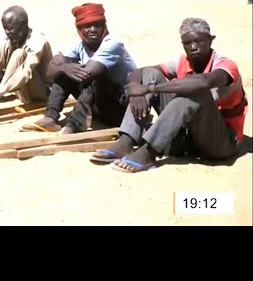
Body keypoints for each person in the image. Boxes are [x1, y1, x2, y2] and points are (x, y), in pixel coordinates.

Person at [90, 18, 247, 173]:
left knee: (195, 91)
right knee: (150, 74)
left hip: (219, 143)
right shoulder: (183, 61)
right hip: (187, 138)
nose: (193, 47)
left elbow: (204, 82)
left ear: (210, 40)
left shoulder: (225, 65)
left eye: (199, 41)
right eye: (187, 43)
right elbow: (141, 72)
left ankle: (149, 153)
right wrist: (135, 90)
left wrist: (149, 89)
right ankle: (126, 141)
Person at [24, 3, 136, 134]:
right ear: (79, 29)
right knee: (64, 73)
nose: (93, 29)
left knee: (91, 76)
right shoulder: (78, 44)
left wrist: (65, 66)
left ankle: (73, 126)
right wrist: (65, 67)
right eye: (87, 26)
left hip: (121, 109)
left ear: (104, 25)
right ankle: (50, 117)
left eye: (97, 25)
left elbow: (87, 74)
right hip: (99, 106)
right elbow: (49, 72)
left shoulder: (112, 44)